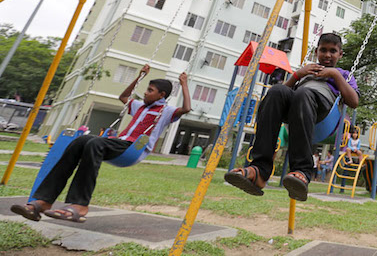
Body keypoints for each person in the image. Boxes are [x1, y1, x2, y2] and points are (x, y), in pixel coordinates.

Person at [11, 65, 190, 223]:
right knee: (80, 141)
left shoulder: (166, 111)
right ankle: (43, 201)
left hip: (133, 148)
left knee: (94, 143)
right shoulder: (139, 106)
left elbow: (186, 109)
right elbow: (124, 96)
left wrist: (183, 84)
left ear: (162, 95)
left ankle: (79, 206)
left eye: (150, 90)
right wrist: (139, 77)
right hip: (118, 143)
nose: (145, 92)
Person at [225, 33, 359, 201]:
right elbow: (284, 93)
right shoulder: (308, 70)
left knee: (304, 93)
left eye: (333, 51)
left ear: (340, 54)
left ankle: (302, 170)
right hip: (298, 109)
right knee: (275, 91)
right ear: (317, 51)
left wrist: (335, 75)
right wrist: (298, 75)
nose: (327, 55)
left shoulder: (343, 74)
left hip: (324, 111)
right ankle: (259, 169)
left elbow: (354, 102)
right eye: (323, 50)